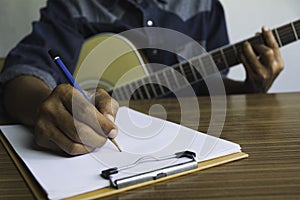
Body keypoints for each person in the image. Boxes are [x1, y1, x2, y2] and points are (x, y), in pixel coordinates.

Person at [0, 0, 284, 155]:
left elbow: (207, 86)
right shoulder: (74, 6)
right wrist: (45, 107)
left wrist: (250, 87)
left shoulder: (206, 7)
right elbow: (21, 74)